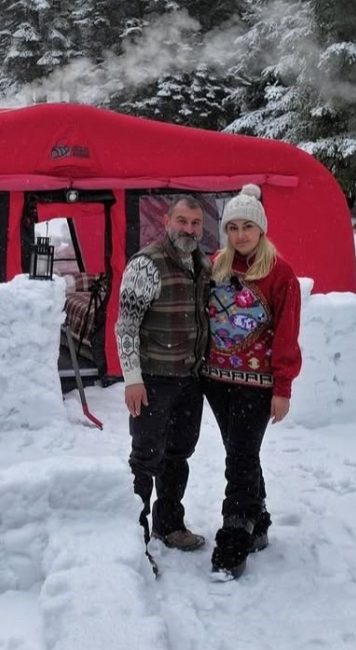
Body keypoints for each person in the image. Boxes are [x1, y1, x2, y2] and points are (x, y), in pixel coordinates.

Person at [203, 184, 302, 579]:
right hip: (215, 378)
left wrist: (283, 387)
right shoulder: (217, 265)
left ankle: (234, 536)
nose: (240, 235)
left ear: (261, 229)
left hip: (256, 383)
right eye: (233, 227)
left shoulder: (280, 274)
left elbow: (286, 333)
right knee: (241, 452)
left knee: (240, 457)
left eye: (248, 227)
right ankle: (258, 521)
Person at [115, 195, 212, 555]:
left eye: (196, 223)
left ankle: (169, 524)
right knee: (145, 457)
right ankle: (133, 534)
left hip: (189, 379)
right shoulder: (146, 265)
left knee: (178, 455)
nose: (189, 229)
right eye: (182, 221)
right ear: (167, 222)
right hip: (154, 379)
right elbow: (125, 326)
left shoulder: (200, 263)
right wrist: (132, 378)